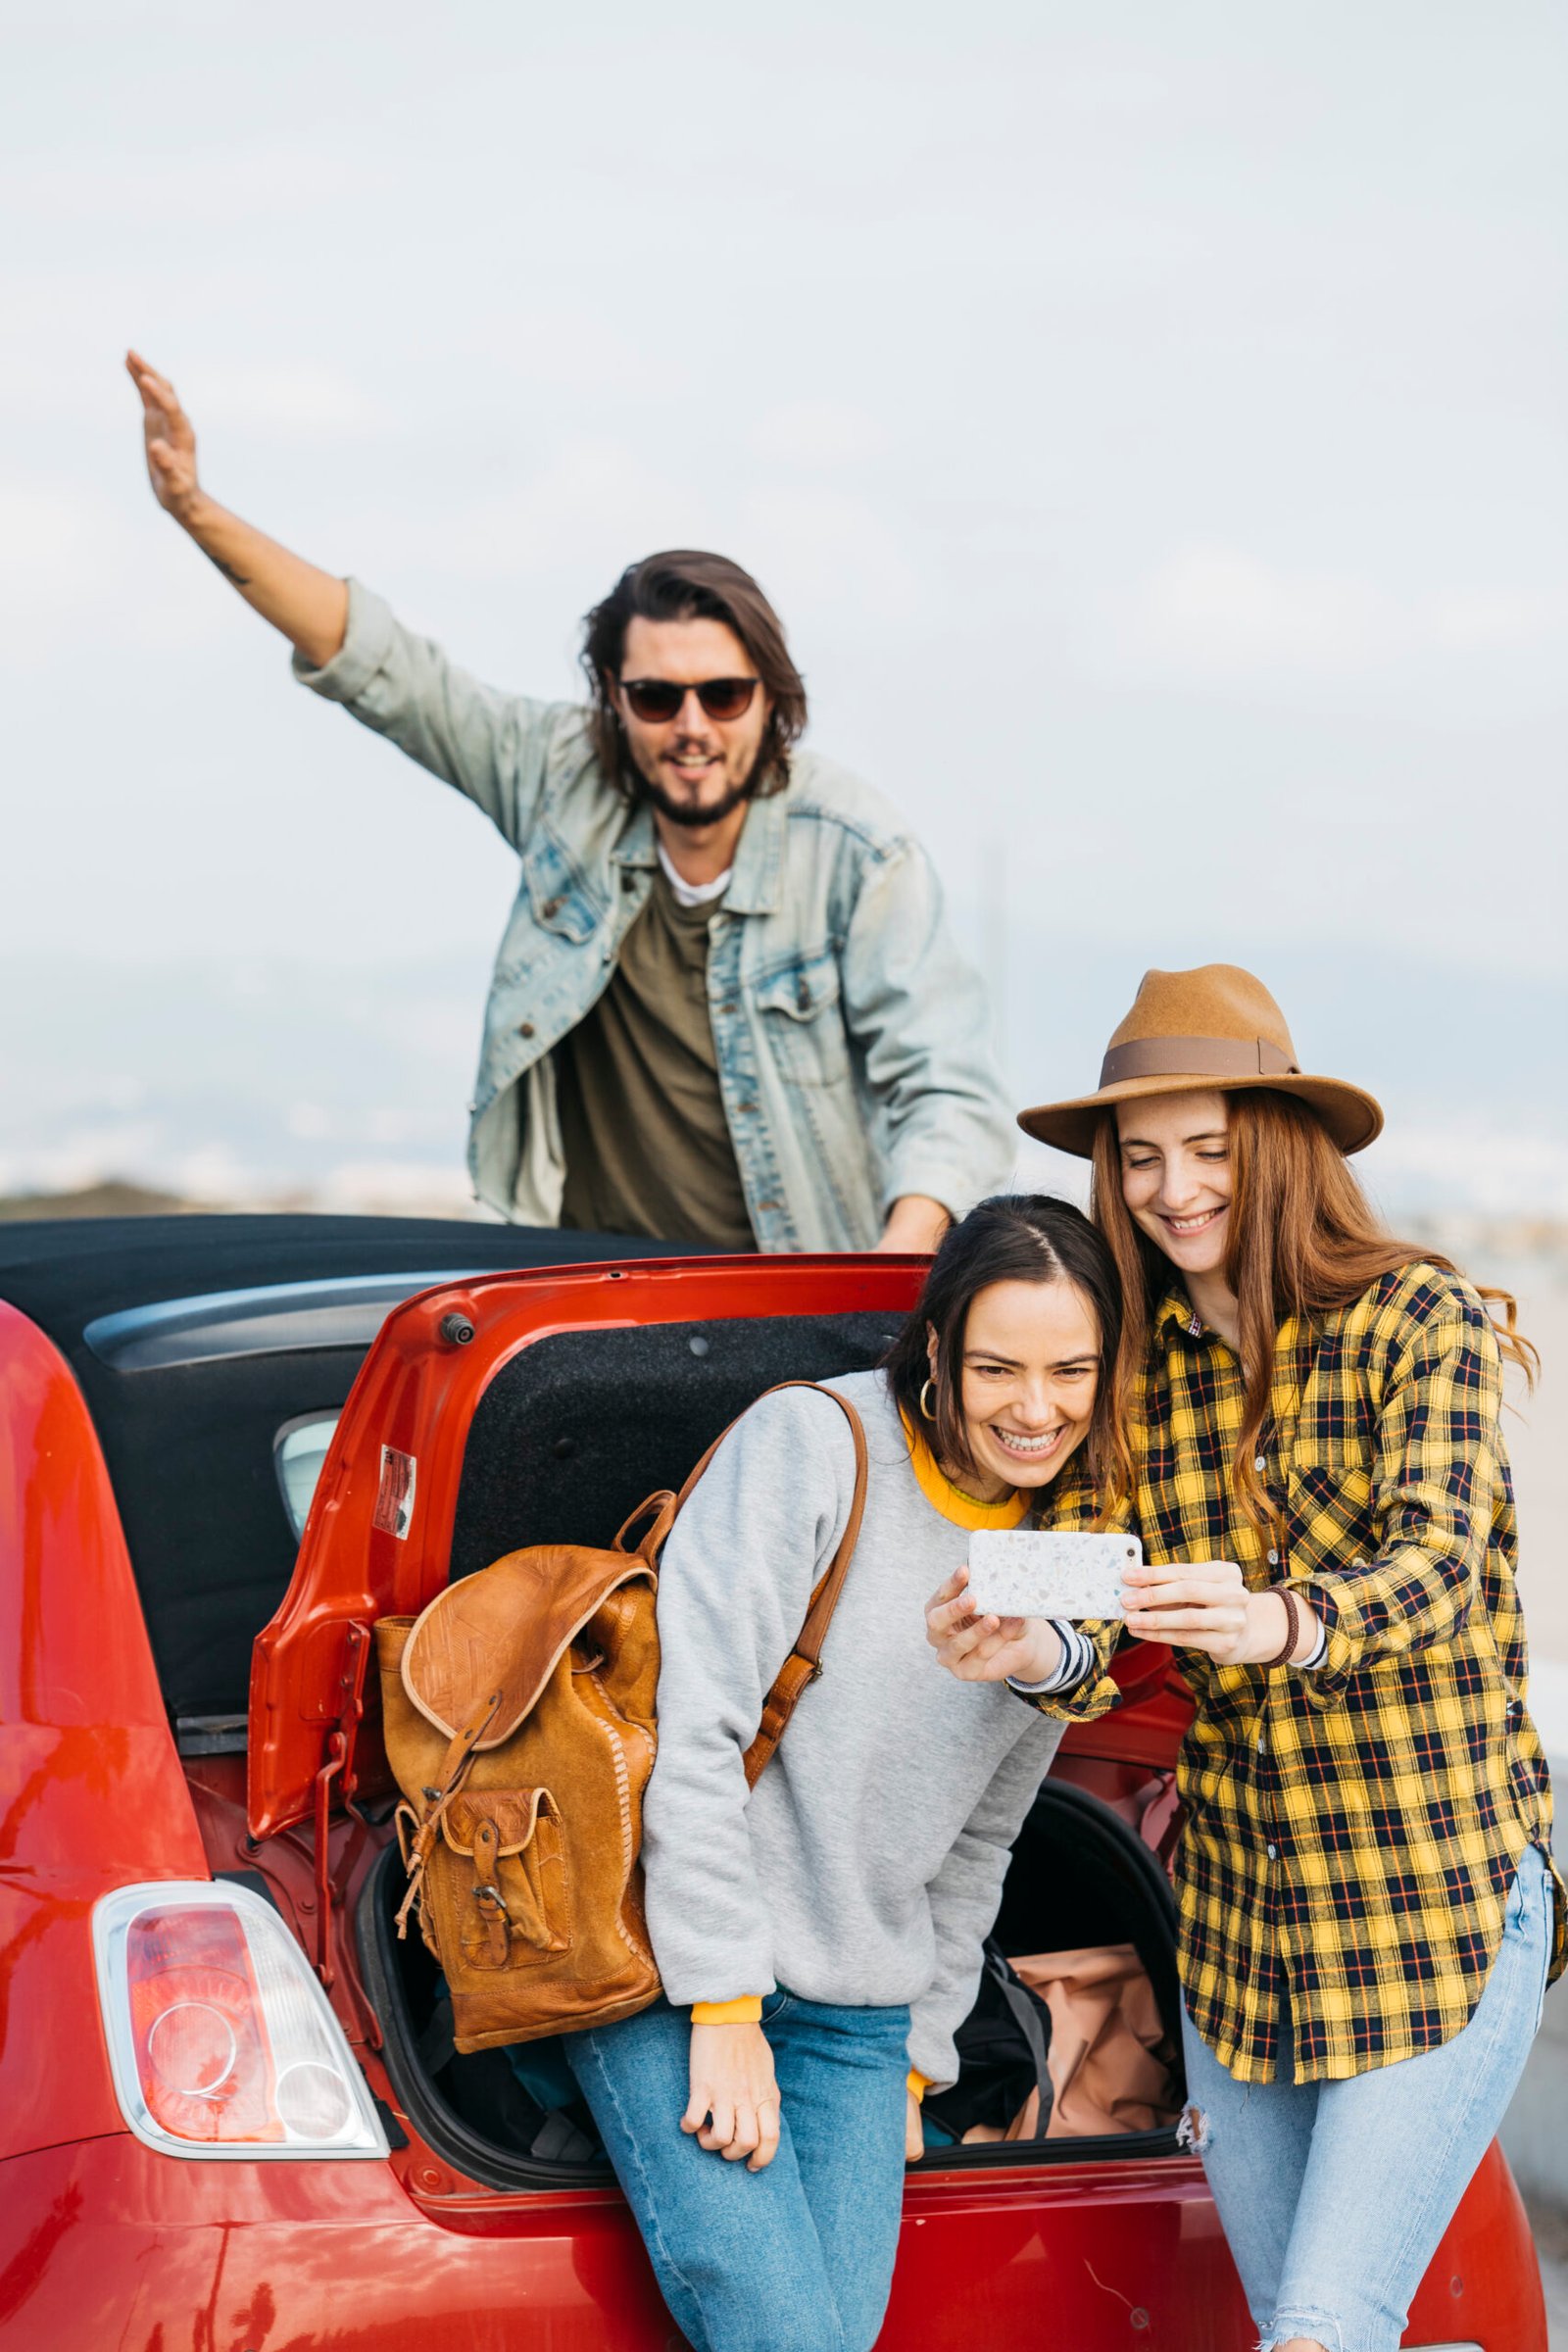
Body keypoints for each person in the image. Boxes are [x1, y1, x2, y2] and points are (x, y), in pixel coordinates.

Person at [926, 963, 1565, 2352]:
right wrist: (1025, 1640)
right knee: (1293, 2320)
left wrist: (1284, 1618)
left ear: (1276, 1150)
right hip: (1241, 1934)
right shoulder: (1134, 1367)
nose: (1173, 1189)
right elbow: (1090, 1596)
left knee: (1324, 2329)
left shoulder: (1419, 1319)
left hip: (1436, 1903)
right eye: (1142, 1158)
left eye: (1207, 1152)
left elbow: (1442, 1566)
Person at [124, 350, 1014, 1252]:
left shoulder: (859, 854)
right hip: (598, 1300)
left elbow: (946, 1087)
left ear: (773, 697)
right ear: (614, 701)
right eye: (658, 697)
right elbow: (386, 670)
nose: (692, 726)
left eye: (725, 694)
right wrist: (196, 509)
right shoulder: (562, 778)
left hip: (793, 1297)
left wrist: (885, 1280)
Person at [563, 1196, 1125, 2352]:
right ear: (936, 1351)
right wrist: (722, 2010)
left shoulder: (1063, 1559)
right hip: (667, 1966)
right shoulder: (817, 1445)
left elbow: (979, 1843)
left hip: (857, 2023)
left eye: (1071, 1371)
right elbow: (694, 1730)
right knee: (784, 2332)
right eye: (996, 1368)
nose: (1036, 1410)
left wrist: (920, 2061)